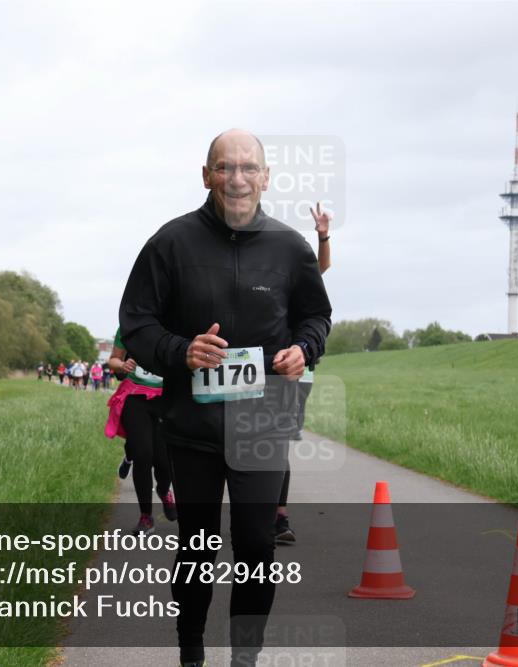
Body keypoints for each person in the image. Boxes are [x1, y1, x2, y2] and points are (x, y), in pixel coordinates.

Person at [119, 129, 331, 667]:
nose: (237, 179)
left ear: (266, 176)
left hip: (262, 425)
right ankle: (191, 654)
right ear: (206, 174)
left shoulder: (290, 247)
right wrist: (180, 349)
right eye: (225, 167)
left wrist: (304, 349)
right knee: (197, 548)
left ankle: (245, 659)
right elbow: (137, 324)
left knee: (257, 548)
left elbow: (316, 317)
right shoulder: (170, 243)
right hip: (191, 428)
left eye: (247, 168)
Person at [276, 201, 333, 545]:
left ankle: (278, 517)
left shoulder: (300, 282)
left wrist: (323, 236)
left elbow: (321, 266)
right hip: (260, 371)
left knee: (276, 444)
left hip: (297, 375)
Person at [106, 326, 176, 535]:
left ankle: (164, 490)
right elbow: (113, 360)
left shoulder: (173, 320)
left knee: (164, 461)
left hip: (166, 397)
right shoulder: (129, 326)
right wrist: (122, 364)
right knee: (142, 454)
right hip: (135, 396)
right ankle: (146, 517)